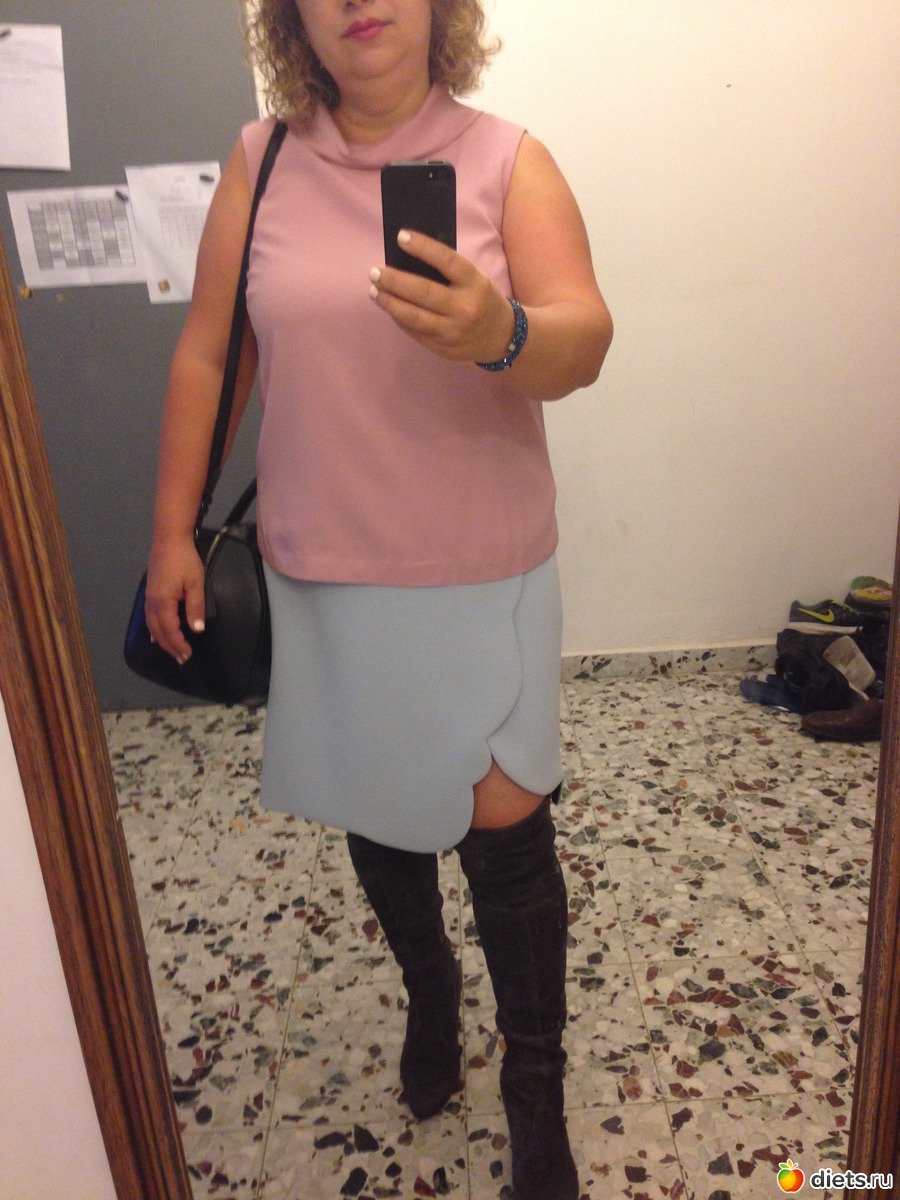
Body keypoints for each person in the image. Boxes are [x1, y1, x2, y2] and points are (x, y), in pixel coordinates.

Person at [145, 2, 612, 1196]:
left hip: (483, 569)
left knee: (507, 844)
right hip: (324, 570)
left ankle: (537, 1095)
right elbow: (211, 351)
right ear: (291, 16)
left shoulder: (508, 160)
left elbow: (584, 340)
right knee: (381, 810)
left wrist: (500, 331)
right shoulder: (260, 164)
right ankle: (428, 994)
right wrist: (170, 531)